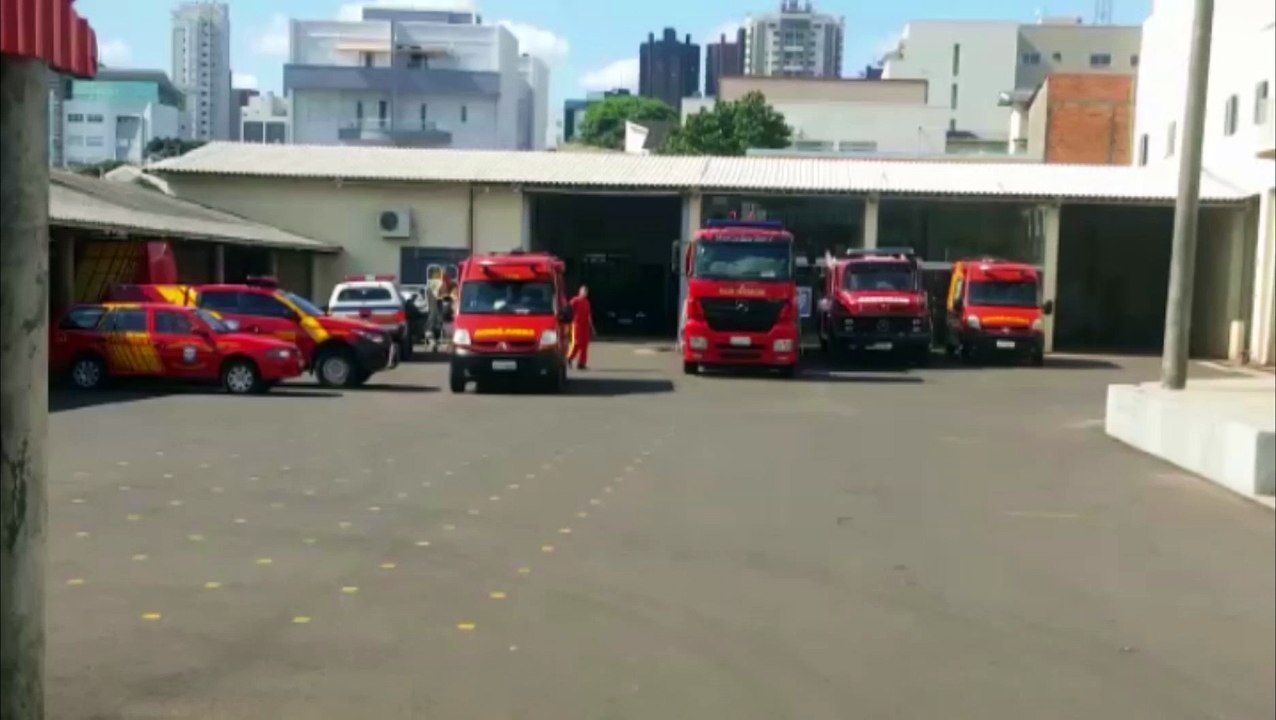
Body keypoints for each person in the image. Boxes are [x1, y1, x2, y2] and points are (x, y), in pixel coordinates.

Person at [567, 286, 595, 370]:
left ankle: (581, 363)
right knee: (577, 343)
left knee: (584, 345)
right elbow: (568, 310)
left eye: (586, 292)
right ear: (580, 291)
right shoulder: (575, 300)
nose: (585, 293)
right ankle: (569, 358)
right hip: (577, 325)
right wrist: (568, 322)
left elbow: (589, 315)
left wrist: (592, 327)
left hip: (585, 325)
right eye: (584, 291)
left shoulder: (587, 302)